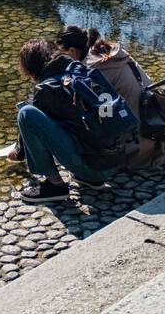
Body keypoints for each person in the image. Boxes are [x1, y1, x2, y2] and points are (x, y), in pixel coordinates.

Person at [9, 38, 131, 205]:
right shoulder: (81, 70)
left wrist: (17, 153)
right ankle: (90, 179)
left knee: (26, 113)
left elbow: (32, 130)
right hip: (116, 161)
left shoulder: (46, 89)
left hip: (93, 168)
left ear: (31, 68)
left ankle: (54, 185)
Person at [56, 25, 165, 171]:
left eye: (63, 53)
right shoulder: (111, 51)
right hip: (160, 127)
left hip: (141, 145)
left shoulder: (92, 71)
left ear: (72, 51)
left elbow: (103, 116)